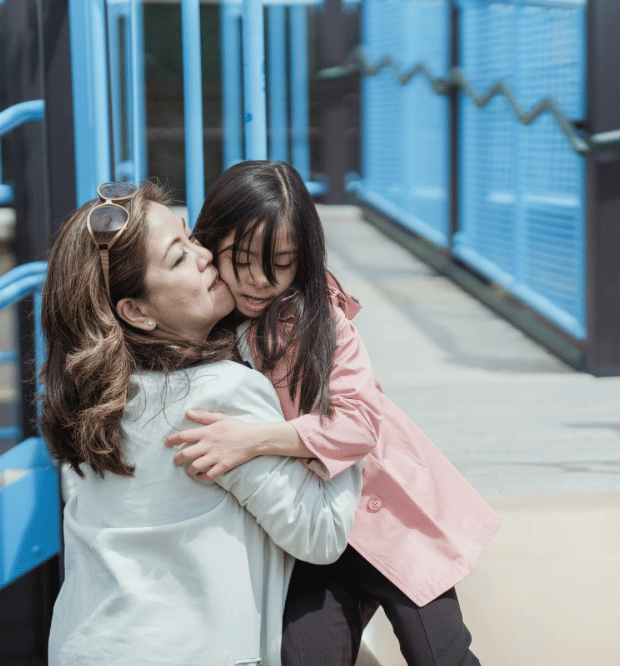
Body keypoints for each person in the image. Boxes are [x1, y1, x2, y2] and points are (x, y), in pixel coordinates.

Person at [165, 161, 502, 666]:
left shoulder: (321, 319)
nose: (260, 279)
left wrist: (254, 440)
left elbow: (360, 422)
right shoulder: (204, 319)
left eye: (281, 262)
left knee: (442, 656)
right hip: (311, 540)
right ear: (211, 243)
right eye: (243, 259)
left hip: (389, 517)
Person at [39, 180, 362, 666]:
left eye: (190, 237)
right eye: (177, 257)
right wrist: (347, 418)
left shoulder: (91, 406)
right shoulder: (221, 394)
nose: (205, 256)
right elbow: (320, 533)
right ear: (136, 311)